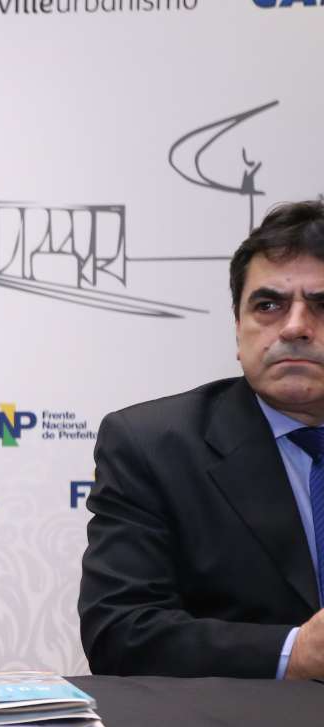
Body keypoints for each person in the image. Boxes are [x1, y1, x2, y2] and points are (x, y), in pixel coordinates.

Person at [80, 199, 324, 678]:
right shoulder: (152, 446)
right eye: (268, 305)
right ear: (238, 329)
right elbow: (121, 632)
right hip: (240, 725)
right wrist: (292, 653)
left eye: (322, 305)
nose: (295, 327)